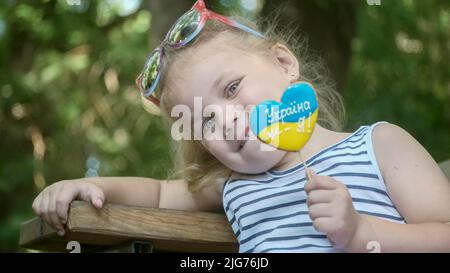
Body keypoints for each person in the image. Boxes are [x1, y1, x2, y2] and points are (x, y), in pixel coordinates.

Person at [32, 0, 450, 252]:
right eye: (204, 120)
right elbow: (157, 193)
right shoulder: (233, 184)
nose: (227, 120)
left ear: (284, 64)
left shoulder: (379, 146)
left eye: (231, 89)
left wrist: (362, 235)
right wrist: (90, 187)